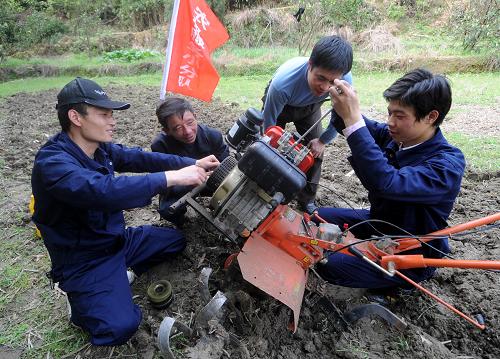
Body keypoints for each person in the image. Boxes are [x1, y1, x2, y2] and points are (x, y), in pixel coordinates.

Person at [31, 78, 219, 346]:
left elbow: (140, 158)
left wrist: (192, 162)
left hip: (117, 240)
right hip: (85, 259)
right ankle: (82, 308)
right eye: (104, 114)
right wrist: (171, 178)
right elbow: (104, 190)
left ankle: (121, 274)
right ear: (76, 117)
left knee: (175, 241)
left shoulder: (99, 148)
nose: (112, 121)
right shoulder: (53, 163)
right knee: (120, 327)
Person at [315, 68, 465, 291]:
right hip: (380, 222)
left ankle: (397, 285)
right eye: (389, 113)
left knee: (326, 265)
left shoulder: (447, 165)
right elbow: (355, 126)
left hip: (410, 250)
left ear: (431, 117)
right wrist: (340, 102)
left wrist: (352, 118)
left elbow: (386, 182)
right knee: (315, 218)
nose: (390, 122)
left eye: (400, 115)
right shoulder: (397, 136)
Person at [261, 35, 354, 214]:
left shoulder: (344, 80)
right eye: (320, 78)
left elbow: (340, 115)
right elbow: (269, 122)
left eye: (332, 82)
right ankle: (265, 190)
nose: (325, 87)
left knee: (315, 153)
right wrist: (270, 141)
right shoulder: (282, 84)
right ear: (310, 64)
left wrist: (323, 141)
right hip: (282, 105)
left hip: (310, 106)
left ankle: (307, 200)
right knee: (269, 149)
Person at [151, 97, 229, 225]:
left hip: (212, 183)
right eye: (177, 128)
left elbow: (228, 169)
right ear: (166, 130)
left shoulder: (213, 136)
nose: (187, 131)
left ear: (195, 116)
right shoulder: (160, 146)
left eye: (190, 122)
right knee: (167, 210)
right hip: (181, 187)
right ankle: (185, 226)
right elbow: (163, 184)